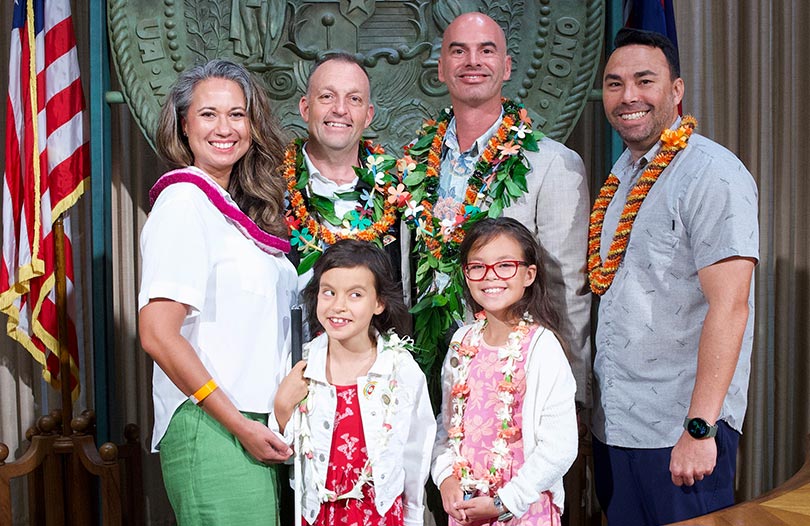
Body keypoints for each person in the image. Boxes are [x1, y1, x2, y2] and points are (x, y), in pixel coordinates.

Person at [590, 28, 759, 525]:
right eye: (615, 84)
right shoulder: (622, 174)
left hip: (680, 431)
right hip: (618, 427)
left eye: (645, 80)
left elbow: (731, 306)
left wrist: (701, 429)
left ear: (677, 90)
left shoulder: (712, 173)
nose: (629, 97)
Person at [397, 12, 591, 408]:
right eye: (459, 51)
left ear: (505, 67)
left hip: (511, 375)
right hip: (424, 367)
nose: (472, 61)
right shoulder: (414, 163)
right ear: (441, 69)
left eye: (486, 51)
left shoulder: (553, 164)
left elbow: (567, 286)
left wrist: (572, 391)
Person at [138, 59, 296, 524]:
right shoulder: (184, 202)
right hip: (214, 425)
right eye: (208, 114)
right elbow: (157, 334)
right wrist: (237, 423)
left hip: (252, 425)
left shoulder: (230, 209)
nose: (224, 127)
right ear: (184, 126)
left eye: (237, 114)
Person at [274, 239, 435, 526]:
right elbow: (286, 455)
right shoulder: (301, 364)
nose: (338, 306)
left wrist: (413, 517)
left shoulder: (400, 369)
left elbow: (416, 450)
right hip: (319, 514)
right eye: (329, 292)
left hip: (380, 514)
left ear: (379, 302)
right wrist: (282, 407)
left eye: (355, 295)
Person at [432, 217, 578, 525]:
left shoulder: (543, 347)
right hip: (468, 508)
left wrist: (505, 501)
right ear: (466, 274)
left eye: (505, 265)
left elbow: (560, 447)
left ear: (528, 274)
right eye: (478, 266)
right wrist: (446, 478)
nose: (491, 277)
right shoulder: (462, 342)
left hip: (523, 507)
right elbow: (447, 427)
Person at [283, 53, 401, 283]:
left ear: (368, 116)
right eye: (327, 96)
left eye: (354, 99)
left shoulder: (395, 198)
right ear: (305, 109)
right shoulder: (269, 189)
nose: (340, 109)